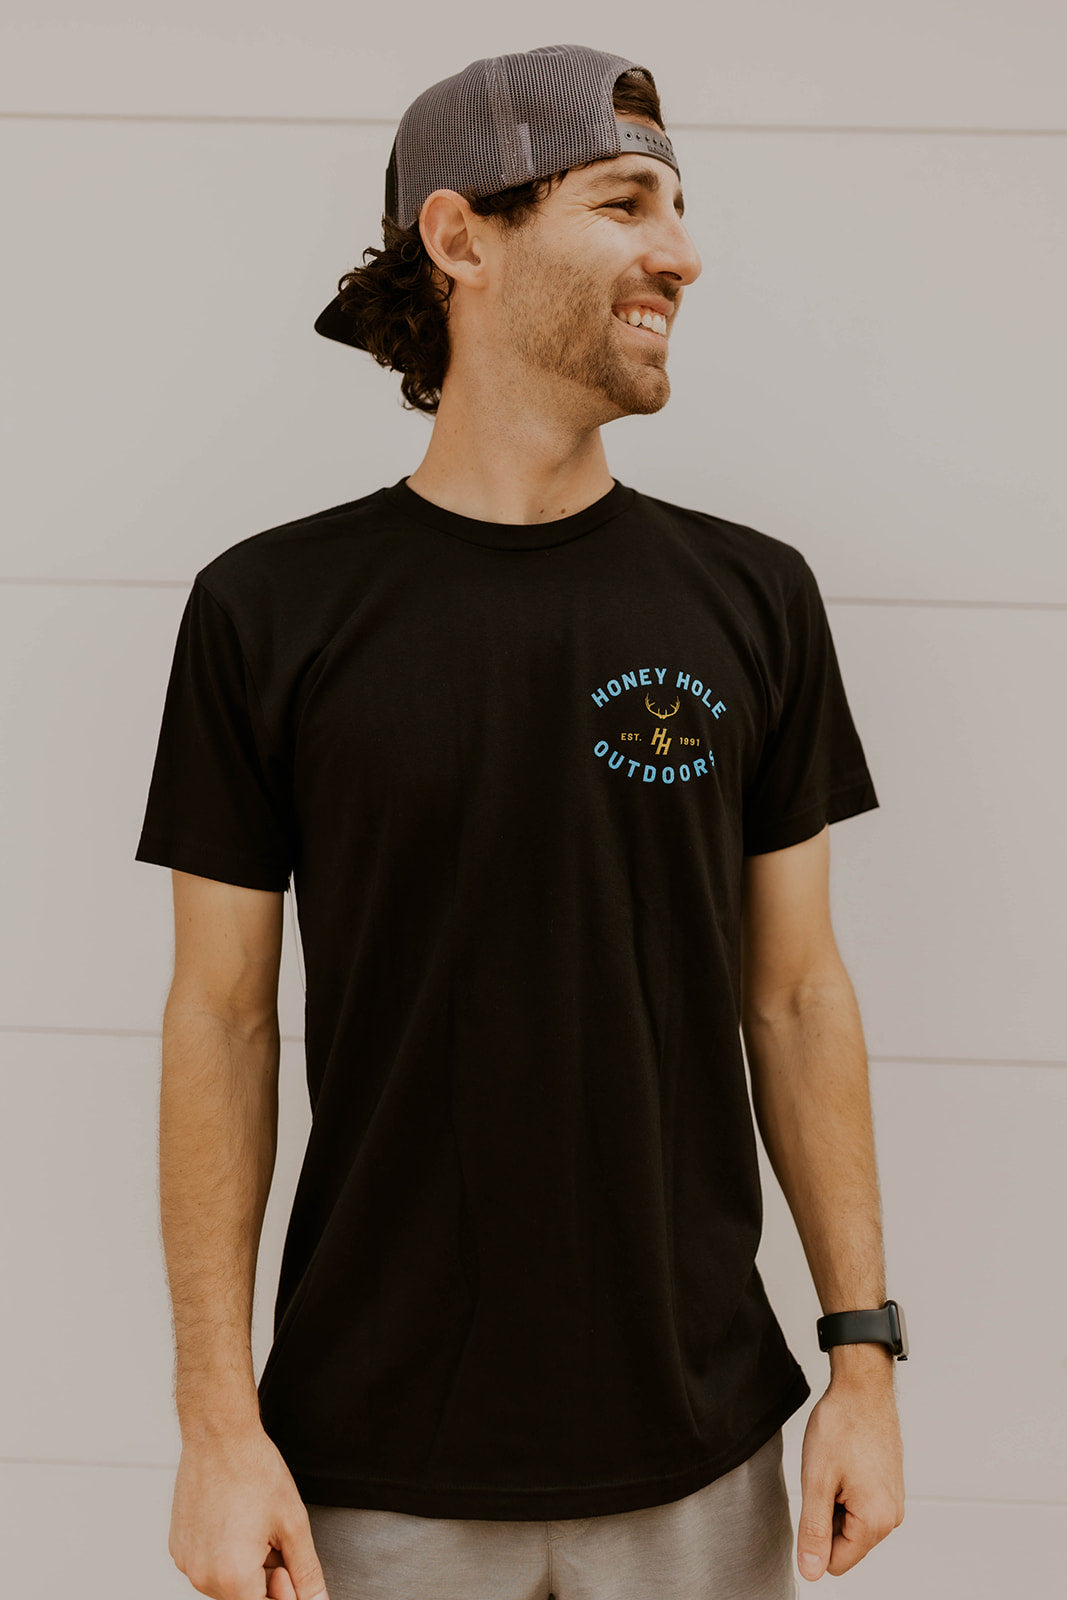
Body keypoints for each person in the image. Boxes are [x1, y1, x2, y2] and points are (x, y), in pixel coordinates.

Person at [135, 43, 906, 1600]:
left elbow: (797, 993)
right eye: (625, 203)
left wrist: (864, 1359)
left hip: (703, 1450)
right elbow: (221, 1020)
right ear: (460, 237)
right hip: (369, 1464)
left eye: (679, 207)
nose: (682, 252)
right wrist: (218, 1428)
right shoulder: (269, 611)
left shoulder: (752, 597)